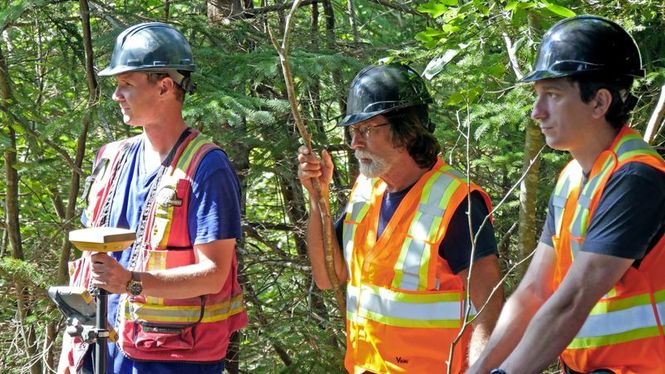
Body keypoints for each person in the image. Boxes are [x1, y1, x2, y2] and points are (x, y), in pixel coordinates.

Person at [468, 15, 665, 374]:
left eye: (552, 95)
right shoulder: (571, 178)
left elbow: (573, 300)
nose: (536, 111)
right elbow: (534, 293)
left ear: (599, 103)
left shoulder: (636, 178)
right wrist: (479, 369)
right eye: (537, 95)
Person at [57, 22, 248, 373]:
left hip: (173, 361)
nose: (116, 95)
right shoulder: (110, 159)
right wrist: (71, 346)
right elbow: (87, 265)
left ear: (164, 87)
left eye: (126, 84)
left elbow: (214, 274)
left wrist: (130, 282)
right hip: (100, 352)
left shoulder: (207, 168)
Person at [297, 63, 503, 373]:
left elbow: (490, 309)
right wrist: (317, 198)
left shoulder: (458, 201)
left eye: (366, 130)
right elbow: (328, 277)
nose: (354, 143)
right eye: (353, 131)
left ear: (406, 131)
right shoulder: (366, 191)